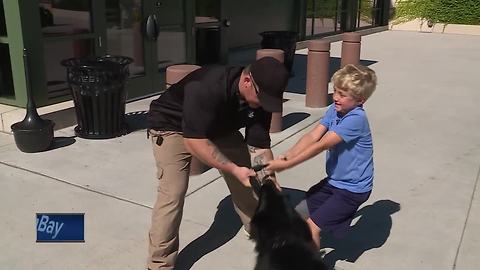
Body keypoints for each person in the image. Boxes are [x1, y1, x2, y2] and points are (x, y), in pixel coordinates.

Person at [146, 57, 289, 270]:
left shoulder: (263, 96)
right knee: (173, 194)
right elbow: (194, 141)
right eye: (262, 98)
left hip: (219, 128)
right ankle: (159, 264)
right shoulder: (207, 87)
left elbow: (259, 145)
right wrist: (231, 168)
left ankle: (257, 227)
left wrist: (269, 179)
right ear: (248, 81)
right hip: (172, 127)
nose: (263, 105)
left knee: (247, 179)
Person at [266, 64, 377, 249]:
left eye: (342, 94)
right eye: (335, 90)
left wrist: (288, 164)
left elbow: (322, 145)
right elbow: (313, 136)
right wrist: (288, 155)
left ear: (360, 100)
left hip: (353, 190)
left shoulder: (356, 119)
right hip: (334, 182)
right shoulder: (335, 110)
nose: (335, 97)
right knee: (299, 214)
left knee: (310, 229)